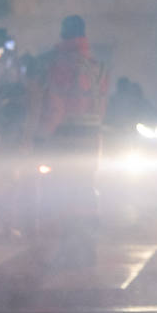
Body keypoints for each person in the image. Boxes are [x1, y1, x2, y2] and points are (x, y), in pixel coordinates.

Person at [27, 15, 108, 267]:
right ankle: (86, 248)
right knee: (86, 192)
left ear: (63, 34)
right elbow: (102, 104)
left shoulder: (58, 64)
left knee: (62, 194)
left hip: (64, 140)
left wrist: (40, 137)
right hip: (92, 140)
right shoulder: (97, 65)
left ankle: (68, 250)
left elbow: (55, 105)